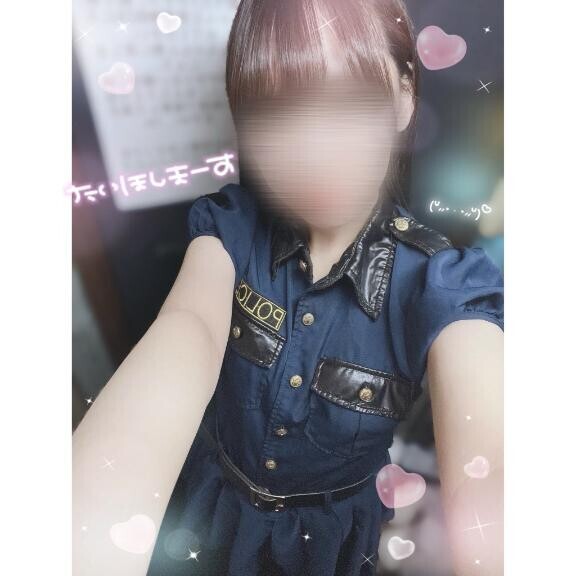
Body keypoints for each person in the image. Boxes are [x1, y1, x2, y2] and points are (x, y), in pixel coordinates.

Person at [73, 2, 504, 576]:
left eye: (351, 101)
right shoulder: (228, 230)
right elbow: (186, 329)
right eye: (275, 112)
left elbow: (495, 461)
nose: (313, 152)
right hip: (210, 510)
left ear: (404, 97)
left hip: (327, 543)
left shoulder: (441, 283)